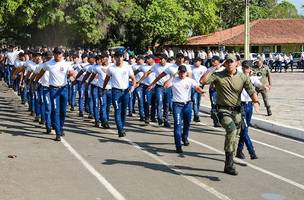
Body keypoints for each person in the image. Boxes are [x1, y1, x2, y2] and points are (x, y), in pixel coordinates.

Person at [200, 54, 260, 176]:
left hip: (237, 111)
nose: (229, 63)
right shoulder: (218, 75)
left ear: (236, 63)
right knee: (231, 130)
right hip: (222, 110)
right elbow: (203, 81)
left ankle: (228, 164)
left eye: (232, 61)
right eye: (227, 61)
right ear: (225, 63)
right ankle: (230, 163)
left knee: (236, 137)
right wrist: (214, 68)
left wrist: (255, 101)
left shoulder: (242, 77)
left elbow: (251, 90)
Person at [34, 47, 76, 141]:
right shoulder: (49, 64)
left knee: (63, 111)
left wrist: (73, 75)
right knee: (56, 110)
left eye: (59, 53)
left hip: (64, 89)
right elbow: (41, 72)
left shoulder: (66, 64)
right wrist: (36, 81)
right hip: (53, 89)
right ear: (54, 54)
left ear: (62, 54)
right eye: (56, 53)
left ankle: (61, 127)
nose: (58, 55)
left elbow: (72, 73)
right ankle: (57, 133)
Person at [166, 65, 205, 153]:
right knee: (177, 124)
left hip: (187, 104)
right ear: (178, 72)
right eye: (180, 72)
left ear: (186, 73)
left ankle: (185, 137)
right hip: (177, 105)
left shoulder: (190, 80)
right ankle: (178, 145)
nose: (182, 74)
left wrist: (201, 91)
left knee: (187, 123)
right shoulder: (174, 80)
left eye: (184, 72)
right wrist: (172, 76)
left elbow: (197, 87)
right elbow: (166, 85)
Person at [236, 60, 267, 160]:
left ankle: (239, 151)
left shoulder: (253, 78)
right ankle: (251, 151)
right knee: (244, 129)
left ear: (250, 69)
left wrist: (264, 86)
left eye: (248, 67)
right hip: (241, 105)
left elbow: (258, 84)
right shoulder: (238, 77)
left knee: (245, 129)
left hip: (249, 105)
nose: (246, 69)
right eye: (245, 67)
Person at [102, 50, 136, 137]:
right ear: (115, 58)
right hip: (116, 92)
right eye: (118, 56)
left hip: (125, 91)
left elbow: (133, 78)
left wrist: (133, 86)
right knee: (117, 110)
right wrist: (103, 88)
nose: (120, 58)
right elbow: (107, 79)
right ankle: (120, 129)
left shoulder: (127, 66)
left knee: (124, 112)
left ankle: (122, 127)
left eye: (121, 56)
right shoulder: (111, 68)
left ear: (123, 57)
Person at [191, 57, 207, 122]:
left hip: (200, 87)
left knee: (198, 101)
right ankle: (196, 115)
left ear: (200, 62)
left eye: (197, 61)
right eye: (195, 61)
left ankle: (196, 114)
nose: (196, 62)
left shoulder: (204, 68)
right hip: (193, 87)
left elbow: (206, 76)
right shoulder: (190, 68)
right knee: (194, 101)